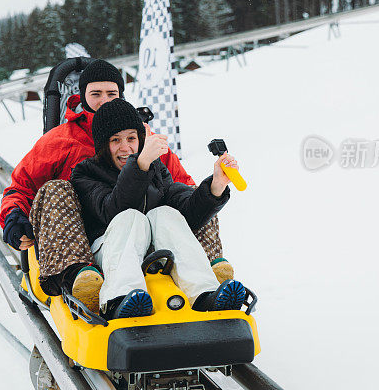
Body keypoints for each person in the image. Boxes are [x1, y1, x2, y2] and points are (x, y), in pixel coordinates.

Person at [0, 58, 233, 311]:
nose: (105, 100)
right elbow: (22, 186)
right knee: (58, 190)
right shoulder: (63, 145)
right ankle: (78, 276)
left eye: (112, 93)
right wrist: (15, 215)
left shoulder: (146, 142)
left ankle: (208, 274)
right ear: (83, 95)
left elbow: (181, 189)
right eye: (96, 93)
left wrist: (215, 187)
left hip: (151, 232)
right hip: (92, 235)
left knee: (186, 199)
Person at [70, 98, 247, 319]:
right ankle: (118, 300)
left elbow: (186, 212)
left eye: (131, 138)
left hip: (152, 252)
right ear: (103, 145)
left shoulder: (154, 168)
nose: (125, 147)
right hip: (110, 251)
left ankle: (204, 294)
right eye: (116, 140)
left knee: (165, 214)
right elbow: (112, 210)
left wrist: (216, 185)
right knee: (131, 218)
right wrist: (140, 164)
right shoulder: (85, 173)